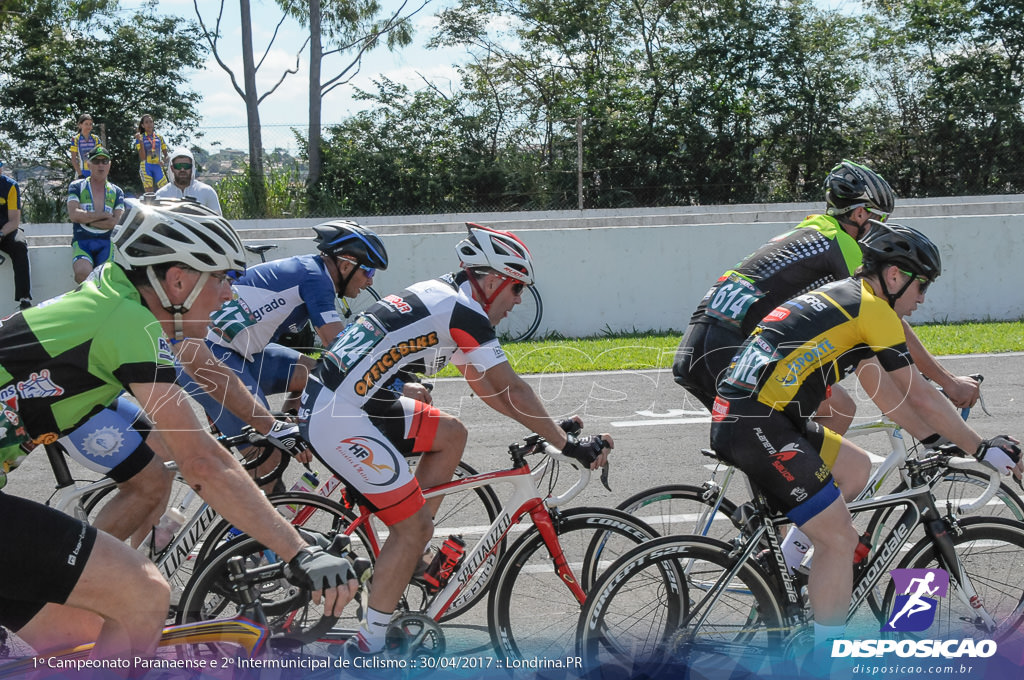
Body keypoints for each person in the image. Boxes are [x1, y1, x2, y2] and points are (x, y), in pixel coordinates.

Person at [0, 198, 358, 660]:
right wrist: (299, 550)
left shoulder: (115, 300)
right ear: (178, 279)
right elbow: (201, 462)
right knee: (143, 594)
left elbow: (191, 398)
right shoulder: (127, 322)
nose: (229, 293)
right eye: (222, 278)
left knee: (82, 638)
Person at [708, 223, 1022, 663]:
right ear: (894, 276)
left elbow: (888, 394)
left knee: (855, 469)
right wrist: (979, 446)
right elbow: (921, 395)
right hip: (758, 421)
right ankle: (823, 664)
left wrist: (936, 440)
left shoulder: (848, 300)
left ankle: (788, 567)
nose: (923, 298)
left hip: (757, 415)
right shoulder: (872, 309)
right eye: (922, 285)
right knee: (839, 538)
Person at [297, 222, 614, 658]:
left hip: (348, 402)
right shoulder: (462, 310)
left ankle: (407, 550)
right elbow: (511, 389)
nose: (519, 300)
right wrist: (567, 444)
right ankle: (368, 647)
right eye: (517, 287)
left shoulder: (450, 298)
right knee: (412, 526)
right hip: (340, 415)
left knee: (450, 433)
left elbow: (487, 387)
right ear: (490, 280)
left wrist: (550, 429)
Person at [673, 160, 982, 570]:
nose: (878, 232)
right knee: (831, 417)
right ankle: (779, 537)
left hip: (704, 344)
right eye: (876, 221)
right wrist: (945, 385)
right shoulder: (850, 248)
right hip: (727, 350)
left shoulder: (814, 230)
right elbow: (892, 326)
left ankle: (779, 525)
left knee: (827, 413)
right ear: (858, 214)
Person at [177, 220, 390, 487]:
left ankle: (292, 426)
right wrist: (389, 375)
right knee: (268, 460)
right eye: (368, 270)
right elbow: (338, 345)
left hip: (243, 354)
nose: (370, 280)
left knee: (311, 372)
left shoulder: (311, 270)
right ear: (346, 265)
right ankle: (241, 527)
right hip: (210, 356)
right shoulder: (316, 277)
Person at [67, 146, 124, 283]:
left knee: (105, 281)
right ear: (89, 164)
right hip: (83, 241)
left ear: (109, 165)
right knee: (82, 274)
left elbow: (114, 223)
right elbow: (74, 215)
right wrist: (103, 215)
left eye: (104, 162)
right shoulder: (77, 186)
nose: (100, 165)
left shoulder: (117, 191)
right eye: (96, 161)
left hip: (106, 242)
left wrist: (86, 219)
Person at [0, 161, 32, 309]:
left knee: (19, 245)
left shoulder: (10, 186)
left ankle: (24, 299)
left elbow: (14, 221)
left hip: (7, 230)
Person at [155, 146, 221, 214]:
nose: (182, 170)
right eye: (178, 166)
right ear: (172, 168)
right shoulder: (161, 195)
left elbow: (218, 220)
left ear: (192, 167)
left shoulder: (207, 192)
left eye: (186, 166)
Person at [134, 114, 169, 193]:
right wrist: (141, 142)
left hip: (157, 165)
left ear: (153, 123)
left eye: (151, 122)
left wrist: (165, 159)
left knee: (165, 189)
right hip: (146, 165)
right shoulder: (140, 138)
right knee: (149, 192)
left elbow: (166, 154)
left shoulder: (159, 137)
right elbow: (142, 157)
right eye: (146, 122)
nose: (149, 124)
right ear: (143, 125)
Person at [69, 113, 102, 179]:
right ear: (80, 125)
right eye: (86, 124)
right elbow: (73, 159)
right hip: (81, 172)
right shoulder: (75, 139)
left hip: (94, 172)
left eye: (90, 124)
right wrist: (80, 174)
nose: (88, 126)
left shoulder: (96, 139)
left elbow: (100, 156)